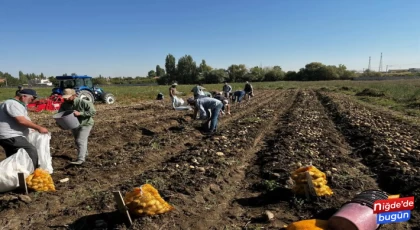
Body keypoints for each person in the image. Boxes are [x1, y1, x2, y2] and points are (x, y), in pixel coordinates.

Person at [0, 89, 49, 169]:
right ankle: (33, 173)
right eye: (32, 98)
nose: (32, 101)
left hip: (8, 136)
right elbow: (21, 121)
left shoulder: (14, 104)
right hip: (11, 135)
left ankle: (16, 175)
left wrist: (29, 129)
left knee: (14, 156)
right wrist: (39, 128)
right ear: (24, 96)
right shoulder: (12, 104)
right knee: (30, 151)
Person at [58, 88, 96, 165]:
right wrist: (60, 124)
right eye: (65, 97)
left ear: (74, 95)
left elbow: (93, 112)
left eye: (68, 97)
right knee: (78, 141)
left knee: (80, 140)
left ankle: (81, 160)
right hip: (74, 124)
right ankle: (85, 154)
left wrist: (81, 113)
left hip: (86, 123)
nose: (66, 99)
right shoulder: (64, 104)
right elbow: (60, 115)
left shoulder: (84, 102)